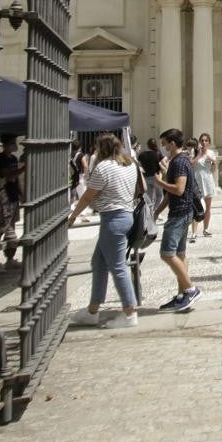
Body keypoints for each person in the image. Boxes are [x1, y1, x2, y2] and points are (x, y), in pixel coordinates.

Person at [67, 133, 140, 328]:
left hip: (113, 218)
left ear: (102, 148)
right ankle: (92, 311)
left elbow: (88, 196)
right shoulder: (130, 164)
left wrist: (73, 216)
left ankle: (130, 313)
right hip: (126, 214)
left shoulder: (104, 167)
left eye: (98, 148)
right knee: (98, 262)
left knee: (118, 266)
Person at [153, 129, 202, 313]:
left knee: (167, 253)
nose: (163, 147)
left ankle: (190, 289)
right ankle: (182, 296)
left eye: (165, 143)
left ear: (172, 143)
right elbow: (172, 192)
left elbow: (179, 189)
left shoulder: (180, 162)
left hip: (180, 213)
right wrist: (158, 210)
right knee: (180, 255)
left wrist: (160, 182)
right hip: (182, 211)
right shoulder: (180, 161)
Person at [0, 135, 23, 269]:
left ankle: (10, 258)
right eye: (12, 143)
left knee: (11, 229)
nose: (15, 145)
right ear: (5, 145)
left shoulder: (13, 158)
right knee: (0, 228)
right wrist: (24, 168)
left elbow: (15, 180)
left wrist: (21, 193)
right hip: (4, 197)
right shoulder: (0, 159)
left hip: (13, 195)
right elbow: (8, 176)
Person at [190, 133, 218, 241]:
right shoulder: (195, 152)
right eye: (202, 140)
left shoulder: (211, 152)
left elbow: (214, 169)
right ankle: (194, 233)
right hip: (197, 181)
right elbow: (191, 164)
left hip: (207, 181)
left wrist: (212, 160)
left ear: (209, 142)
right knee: (196, 207)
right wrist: (199, 155)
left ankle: (205, 229)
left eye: (206, 140)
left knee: (208, 207)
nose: (204, 142)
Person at [137, 138, 162, 222]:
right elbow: (158, 167)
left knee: (149, 197)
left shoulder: (142, 154)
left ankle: (150, 213)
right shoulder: (156, 154)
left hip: (146, 178)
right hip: (155, 177)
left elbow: (139, 165)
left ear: (147, 145)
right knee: (159, 195)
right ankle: (155, 210)